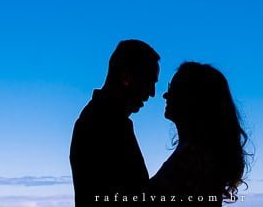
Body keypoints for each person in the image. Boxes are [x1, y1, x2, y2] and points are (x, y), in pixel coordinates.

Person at [70, 40, 160, 206]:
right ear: (126, 78)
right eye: (149, 82)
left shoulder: (98, 118)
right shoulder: (106, 123)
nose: (152, 93)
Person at [149, 62, 249, 205]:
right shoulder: (197, 154)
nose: (165, 95)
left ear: (193, 98)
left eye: (174, 89)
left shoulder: (196, 159)